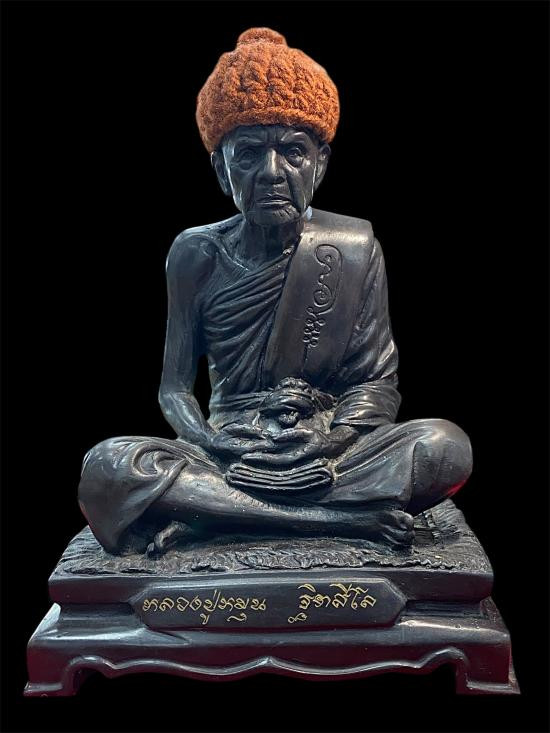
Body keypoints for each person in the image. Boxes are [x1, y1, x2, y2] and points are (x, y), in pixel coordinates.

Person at [78, 27, 472, 557]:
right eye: (248, 155)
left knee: (445, 448)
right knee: (109, 466)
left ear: (320, 163)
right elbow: (174, 388)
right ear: (221, 170)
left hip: (323, 447)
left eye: (292, 152)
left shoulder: (353, 248)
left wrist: (331, 439)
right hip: (229, 449)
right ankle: (335, 521)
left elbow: (375, 381)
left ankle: (214, 517)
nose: (271, 173)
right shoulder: (195, 254)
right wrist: (212, 440)